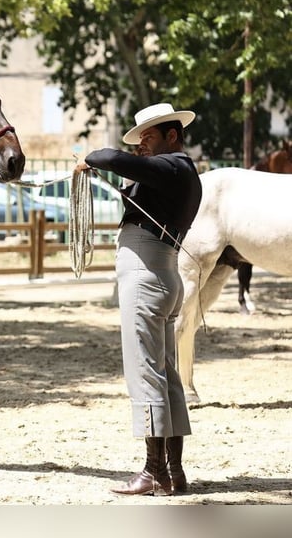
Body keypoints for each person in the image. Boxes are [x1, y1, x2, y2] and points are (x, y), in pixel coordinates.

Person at [76, 103, 203, 496]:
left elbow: (112, 157)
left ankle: (153, 472)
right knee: (167, 378)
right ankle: (173, 472)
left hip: (146, 277)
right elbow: (130, 174)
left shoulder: (175, 167)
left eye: (149, 137)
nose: (142, 145)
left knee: (146, 374)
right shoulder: (173, 175)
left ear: (173, 136)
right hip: (160, 273)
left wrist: (89, 158)